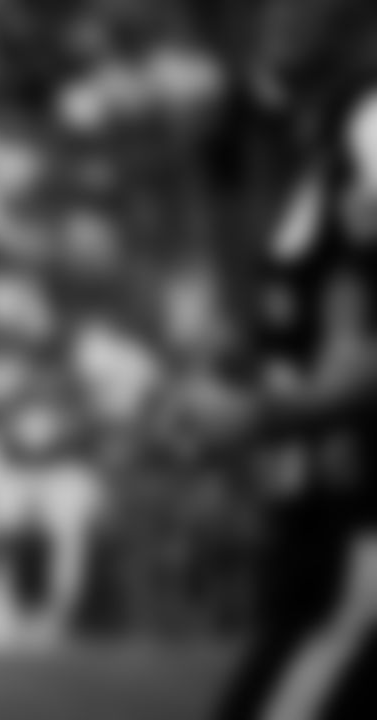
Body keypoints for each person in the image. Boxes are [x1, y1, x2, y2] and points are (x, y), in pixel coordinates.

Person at [170, 84, 377, 720]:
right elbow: (310, 319)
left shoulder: (365, 128)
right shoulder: (327, 152)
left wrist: (266, 415)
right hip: (324, 513)